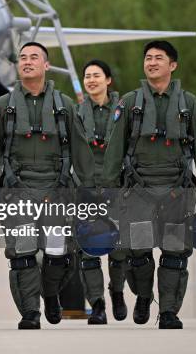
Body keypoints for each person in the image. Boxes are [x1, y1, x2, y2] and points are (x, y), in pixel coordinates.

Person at [0, 42, 95, 329]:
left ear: (46, 65)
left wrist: (89, 190)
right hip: (17, 191)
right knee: (22, 254)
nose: (27, 62)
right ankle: (30, 312)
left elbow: (81, 151)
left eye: (34, 57)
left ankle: (51, 294)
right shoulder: (2, 106)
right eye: (22, 58)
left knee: (59, 253)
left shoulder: (65, 105)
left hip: (56, 191)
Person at [102, 40, 196, 329]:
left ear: (172, 65)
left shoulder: (188, 103)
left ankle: (168, 312)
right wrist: (109, 191)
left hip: (178, 190)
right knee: (138, 253)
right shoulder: (128, 102)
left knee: (175, 254)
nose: (151, 62)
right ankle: (142, 295)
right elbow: (114, 149)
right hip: (138, 189)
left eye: (158, 58)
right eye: (148, 58)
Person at [76, 59, 127, 324]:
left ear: (108, 80)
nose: (91, 80)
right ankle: (97, 305)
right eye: (87, 76)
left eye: (97, 75)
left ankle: (117, 291)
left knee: (119, 250)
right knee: (88, 250)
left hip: (116, 188)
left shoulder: (124, 112)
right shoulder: (75, 114)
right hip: (85, 189)